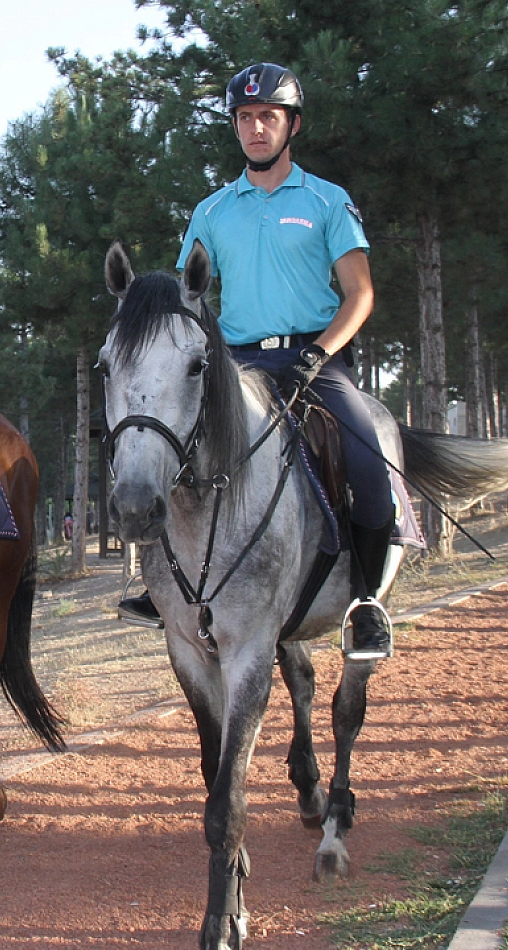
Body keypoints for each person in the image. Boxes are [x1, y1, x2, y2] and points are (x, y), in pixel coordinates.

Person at [116, 63, 393, 660]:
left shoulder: (327, 201)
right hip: (236, 364)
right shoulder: (213, 212)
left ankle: (365, 603)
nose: (255, 129)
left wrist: (319, 354)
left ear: (291, 124)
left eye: (268, 116)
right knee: (166, 451)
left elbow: (360, 294)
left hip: (315, 359)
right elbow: (185, 299)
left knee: (370, 464)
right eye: (245, 118)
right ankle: (158, 587)